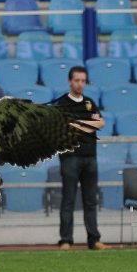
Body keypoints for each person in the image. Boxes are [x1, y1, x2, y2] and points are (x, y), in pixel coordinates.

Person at [53, 66, 107, 251]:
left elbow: (100, 123)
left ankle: (94, 239)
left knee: (91, 201)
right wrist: (87, 125)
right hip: (70, 158)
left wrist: (79, 124)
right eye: (77, 80)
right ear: (70, 81)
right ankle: (66, 240)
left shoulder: (90, 102)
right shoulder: (61, 103)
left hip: (90, 158)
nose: (80, 84)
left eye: (83, 80)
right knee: (68, 200)